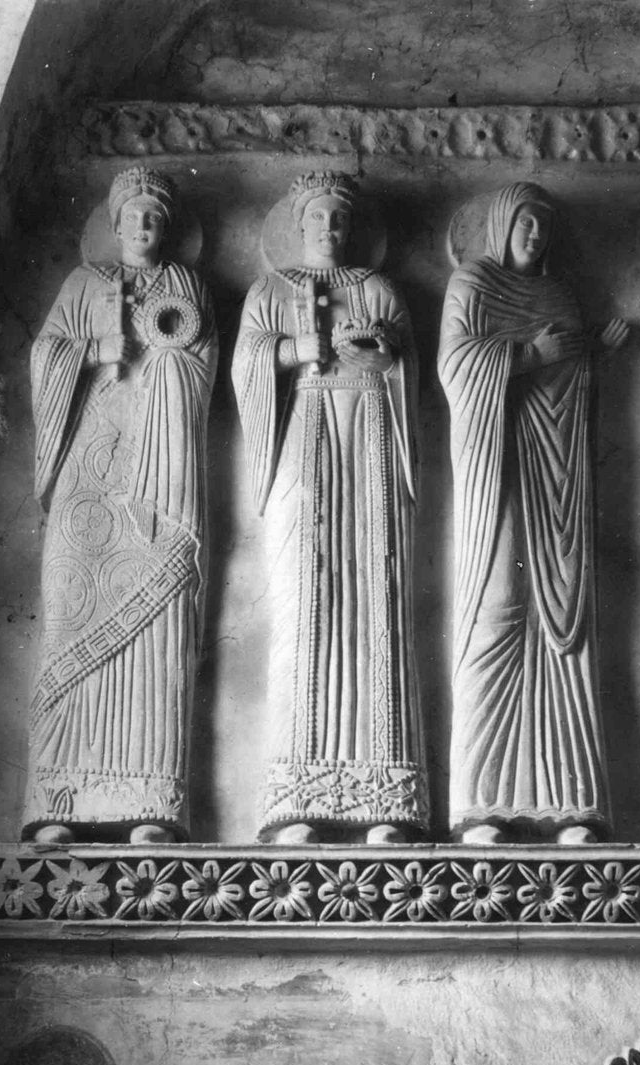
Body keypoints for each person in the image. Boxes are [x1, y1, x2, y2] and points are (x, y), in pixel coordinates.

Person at [232, 171, 428, 844]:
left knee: (375, 598)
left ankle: (385, 805)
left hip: (368, 437)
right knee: (302, 604)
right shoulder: (270, 289)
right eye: (318, 219)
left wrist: (379, 354)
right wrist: (299, 350)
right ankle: (296, 804)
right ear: (299, 224)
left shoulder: (377, 289)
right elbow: (246, 366)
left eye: (340, 220)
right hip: (304, 439)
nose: (330, 230)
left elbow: (406, 366)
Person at [23, 167, 217, 844]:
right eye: (135, 214)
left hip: (159, 475)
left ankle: (149, 805)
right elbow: (45, 358)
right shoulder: (83, 286)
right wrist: (93, 350)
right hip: (90, 472)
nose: (144, 226)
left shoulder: (185, 286)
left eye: (156, 219)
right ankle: (57, 802)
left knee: (159, 624)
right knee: (72, 610)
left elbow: (201, 365)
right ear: (114, 221)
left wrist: (165, 359)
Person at [438, 182, 628, 844]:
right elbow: (456, 368)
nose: (536, 235)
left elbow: (569, 379)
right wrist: (528, 355)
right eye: (525, 222)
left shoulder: (559, 296)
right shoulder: (472, 284)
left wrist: (588, 354)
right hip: (497, 465)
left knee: (564, 620)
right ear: (498, 225)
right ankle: (480, 802)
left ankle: (571, 804)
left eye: (544, 227)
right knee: (498, 608)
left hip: (556, 475)